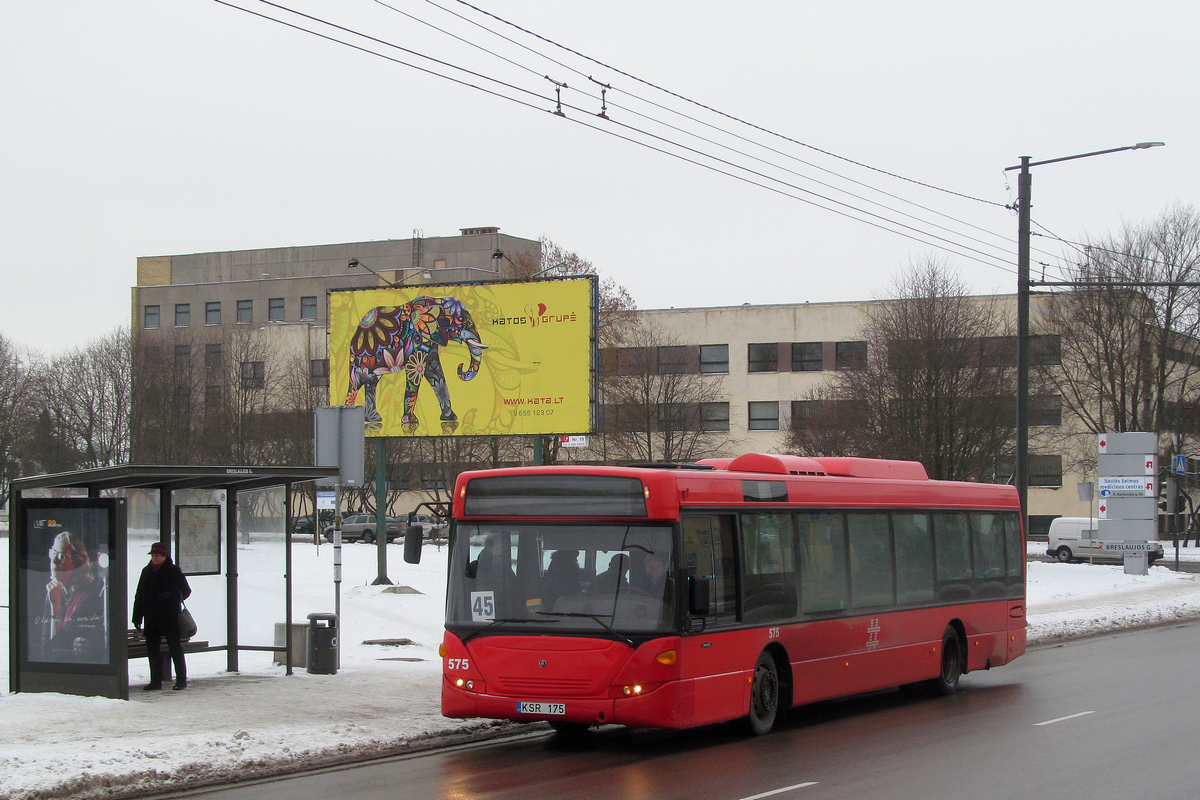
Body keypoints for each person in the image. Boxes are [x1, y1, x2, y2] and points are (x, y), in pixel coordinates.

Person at [132, 542, 192, 691]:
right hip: (151, 617)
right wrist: (137, 617)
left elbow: (186, 591)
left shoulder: (173, 571)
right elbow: (139, 595)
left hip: (169, 616)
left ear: (164, 556)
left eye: (157, 556)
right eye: (153, 556)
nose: (155, 558)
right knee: (152, 649)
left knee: (174, 647)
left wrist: (171, 599)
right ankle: (155, 681)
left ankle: (181, 680)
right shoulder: (147, 571)